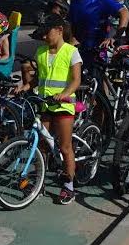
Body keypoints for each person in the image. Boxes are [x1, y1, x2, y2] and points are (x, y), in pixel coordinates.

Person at [19, 15, 82, 204]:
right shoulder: (41, 52)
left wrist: (65, 93)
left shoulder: (71, 52)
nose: (45, 37)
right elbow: (40, 79)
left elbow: (76, 80)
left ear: (59, 30)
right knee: (42, 145)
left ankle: (68, 186)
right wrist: (26, 87)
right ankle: (40, 182)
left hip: (63, 104)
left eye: (48, 33)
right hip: (45, 103)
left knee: (64, 146)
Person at [65, 0, 129, 69]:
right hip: (77, 50)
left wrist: (115, 37)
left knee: (97, 83)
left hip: (96, 51)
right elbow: (71, 23)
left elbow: (124, 13)